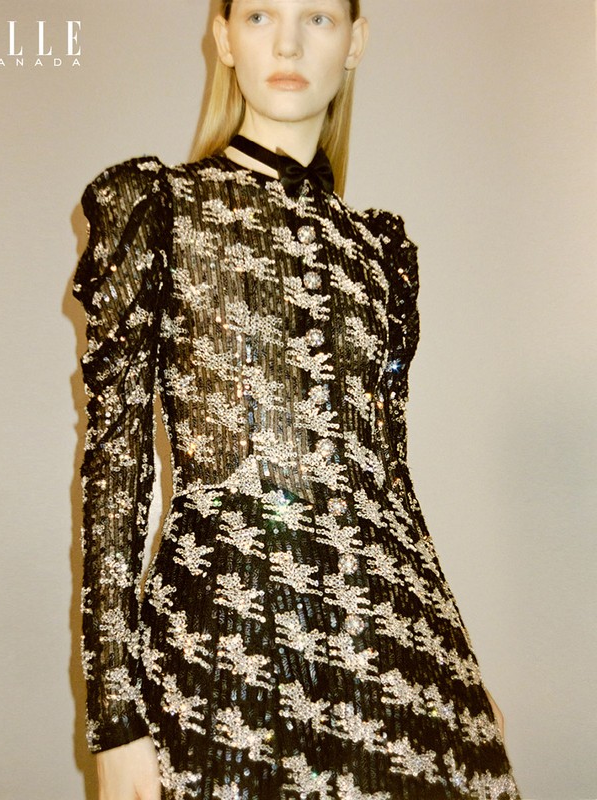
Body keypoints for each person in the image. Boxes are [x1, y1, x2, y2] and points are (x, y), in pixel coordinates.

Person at [73, 1, 521, 798]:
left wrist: (460, 667)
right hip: (226, 652)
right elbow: (116, 468)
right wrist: (114, 717)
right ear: (223, 38)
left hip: (393, 657)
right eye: (259, 15)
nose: (287, 42)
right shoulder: (161, 207)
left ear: (355, 41)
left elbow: (390, 483)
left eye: (317, 16)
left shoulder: (377, 252)